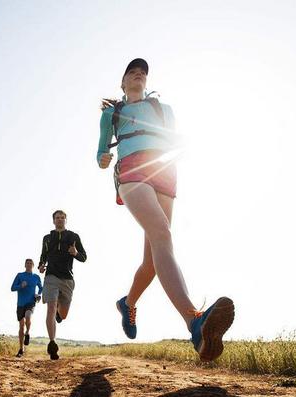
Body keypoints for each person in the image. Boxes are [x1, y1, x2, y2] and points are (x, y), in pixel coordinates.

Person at [96, 58, 234, 362]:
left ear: (147, 81)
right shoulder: (112, 113)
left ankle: (127, 303)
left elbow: (174, 139)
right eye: (132, 71)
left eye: (143, 71)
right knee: (162, 234)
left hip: (164, 172)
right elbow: (101, 151)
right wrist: (104, 158)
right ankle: (195, 322)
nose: (138, 73)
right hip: (132, 171)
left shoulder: (163, 109)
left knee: (152, 260)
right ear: (122, 83)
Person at [38, 210, 87, 360]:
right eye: (57, 218)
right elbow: (43, 256)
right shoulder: (47, 238)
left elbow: (84, 257)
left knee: (63, 315)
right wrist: (41, 265)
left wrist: (75, 253)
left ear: (66, 220)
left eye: (62, 218)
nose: (59, 220)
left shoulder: (73, 237)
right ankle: (52, 343)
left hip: (67, 278)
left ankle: (59, 313)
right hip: (51, 276)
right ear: (53, 221)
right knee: (51, 307)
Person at [10, 258, 43, 357]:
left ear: (33, 265)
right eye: (27, 263)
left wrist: (38, 294)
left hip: (31, 302)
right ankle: (21, 349)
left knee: (28, 316)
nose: (29, 265)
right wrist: (20, 285)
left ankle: (27, 333)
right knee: (21, 326)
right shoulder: (20, 275)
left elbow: (41, 288)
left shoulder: (36, 277)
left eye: (30, 263)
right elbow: (12, 288)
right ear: (25, 265)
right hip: (20, 303)